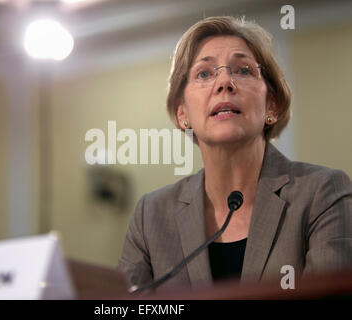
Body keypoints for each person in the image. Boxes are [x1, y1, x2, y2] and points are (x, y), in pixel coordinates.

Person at [117, 16, 352, 292]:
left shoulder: (322, 194)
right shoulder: (151, 216)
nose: (224, 81)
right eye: (204, 74)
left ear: (271, 106)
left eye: (243, 70)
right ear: (183, 114)